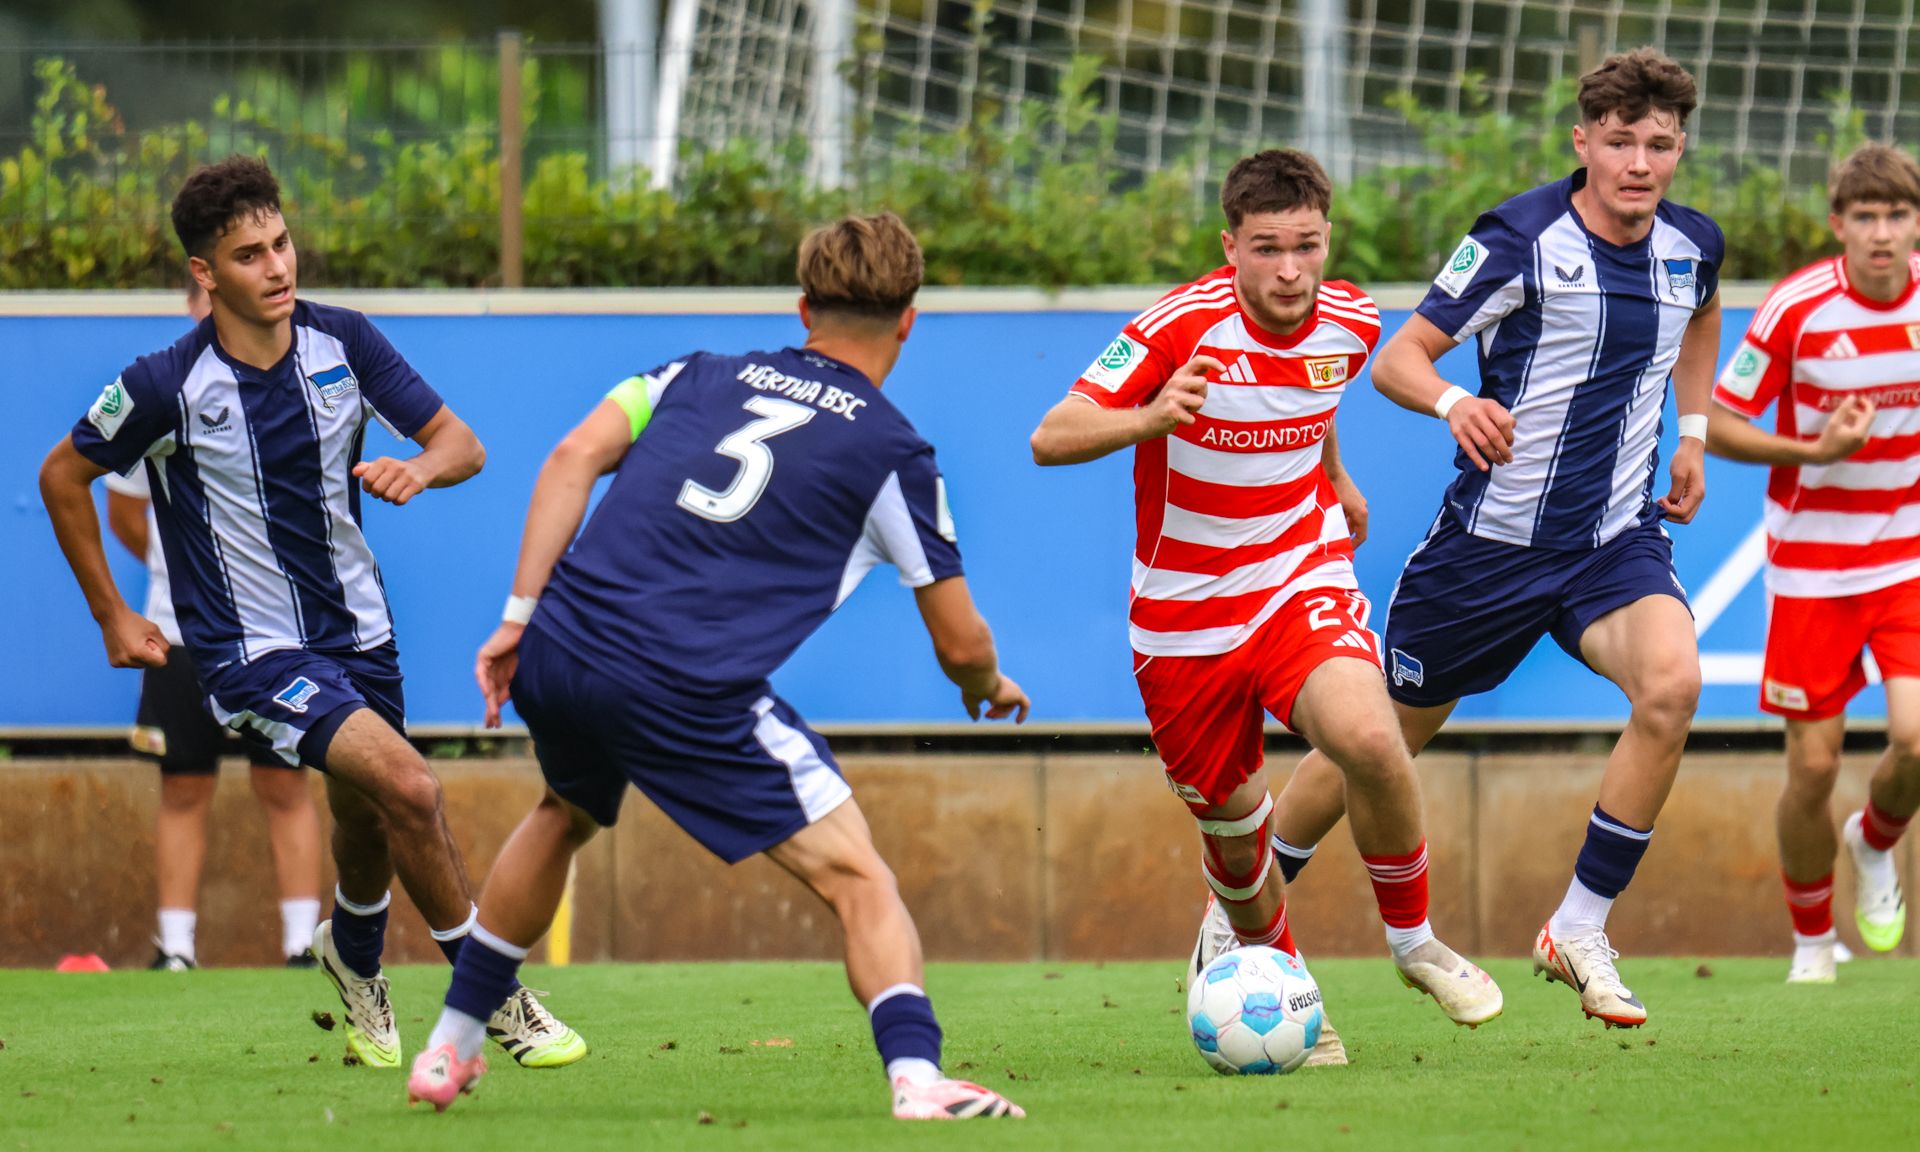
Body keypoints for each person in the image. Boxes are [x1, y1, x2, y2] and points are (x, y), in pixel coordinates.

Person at [406, 212, 1030, 1120]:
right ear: (909, 320)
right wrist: (986, 685)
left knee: (564, 810)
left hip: (566, 643)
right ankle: (918, 1081)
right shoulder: (895, 453)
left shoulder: (691, 375)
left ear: (803, 306)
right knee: (859, 878)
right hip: (684, 685)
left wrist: (517, 618)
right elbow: (962, 644)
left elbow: (572, 456)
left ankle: (446, 1051)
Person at [38, 155, 582, 1069]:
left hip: (361, 631)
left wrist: (420, 467)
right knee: (412, 785)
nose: (279, 266)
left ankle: (352, 957)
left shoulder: (346, 343)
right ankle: (494, 995)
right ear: (205, 276)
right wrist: (107, 614)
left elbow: (464, 443)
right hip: (250, 652)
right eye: (250, 255)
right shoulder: (167, 384)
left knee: (368, 817)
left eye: (282, 242)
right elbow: (63, 475)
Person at [1241, 49, 1723, 1029]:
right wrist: (1457, 401)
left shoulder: (1692, 246)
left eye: (1659, 144)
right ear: (1583, 142)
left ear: (1680, 150)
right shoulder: (1520, 237)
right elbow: (1399, 357)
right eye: (1620, 141)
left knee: (1673, 685)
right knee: (1375, 747)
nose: (1639, 161)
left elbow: (1703, 312)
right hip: (1487, 553)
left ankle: (1578, 927)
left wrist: (1698, 429)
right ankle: (1238, 908)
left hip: (1612, 545)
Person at [1028, 147, 1503, 1066]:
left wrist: (1337, 478)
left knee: (1369, 737)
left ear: (1327, 241)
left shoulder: (1353, 321)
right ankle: (1286, 984)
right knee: (1237, 842)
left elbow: (1313, 397)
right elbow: (1052, 435)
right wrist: (1150, 417)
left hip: (1299, 573)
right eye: (1267, 250)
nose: (1290, 270)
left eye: (1307, 247)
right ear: (1231, 248)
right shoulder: (1178, 328)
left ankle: (1414, 944)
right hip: (1183, 619)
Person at [1706, 142, 1920, 982]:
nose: (1880, 233)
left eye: (1896, 216)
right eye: (1863, 217)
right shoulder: (1796, 309)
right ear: (1838, 226)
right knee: (1814, 766)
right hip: (1811, 571)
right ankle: (1809, 940)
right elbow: (1721, 423)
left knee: (1914, 740)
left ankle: (1873, 841)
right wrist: (1813, 446)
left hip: (1905, 560)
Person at [104, 277, 325, 971]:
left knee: (286, 782)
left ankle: (301, 946)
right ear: (195, 296)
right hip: (178, 633)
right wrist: (194, 572)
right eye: (207, 295)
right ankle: (175, 948)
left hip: (277, 633)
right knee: (184, 783)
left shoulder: (292, 381)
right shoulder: (157, 391)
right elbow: (122, 511)